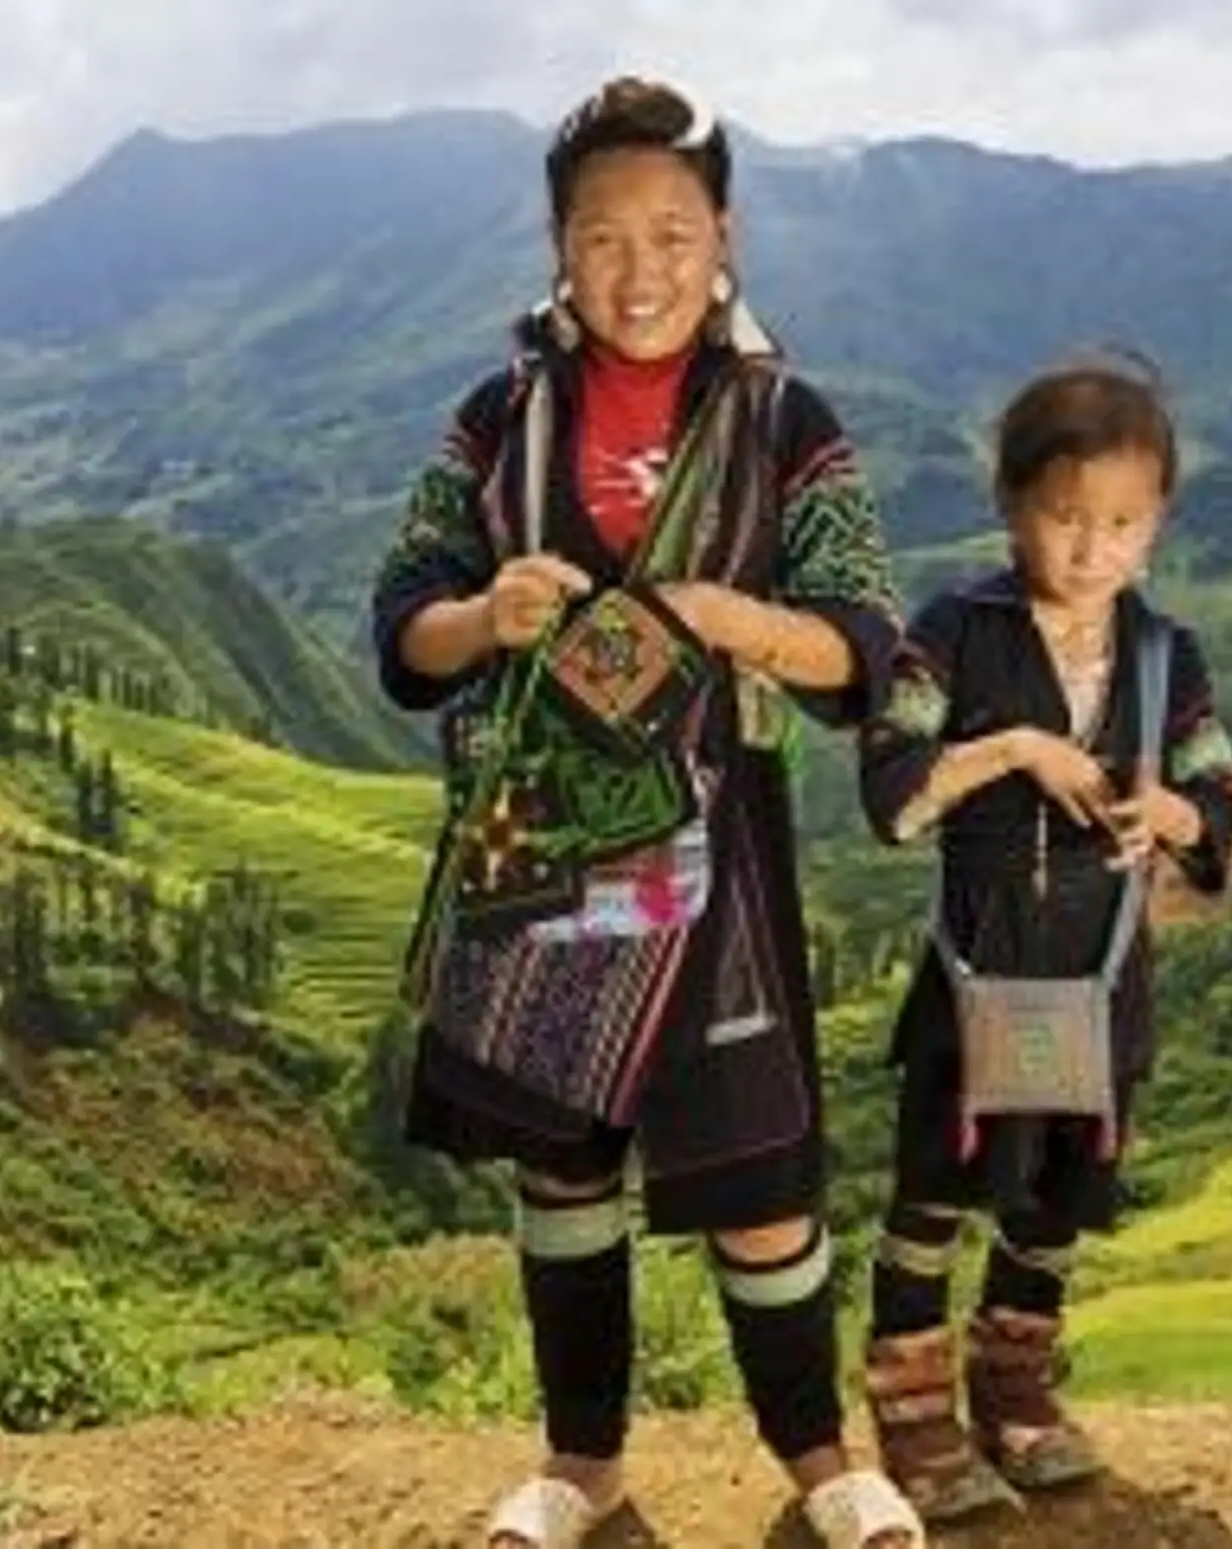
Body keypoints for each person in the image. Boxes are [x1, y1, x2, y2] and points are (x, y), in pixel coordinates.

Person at [370, 75, 923, 1549]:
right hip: (539, 851)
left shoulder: (784, 420)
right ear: (561, 246)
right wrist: (486, 613)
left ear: (723, 235)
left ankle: (819, 1464)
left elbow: (864, 640)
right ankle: (584, 1471)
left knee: (758, 1177)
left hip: (714, 856)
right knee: (564, 1168)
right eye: (604, 235)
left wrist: (745, 618)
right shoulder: (497, 422)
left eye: (672, 233)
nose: (640, 269)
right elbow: (403, 626)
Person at [855, 350, 1232, 1524]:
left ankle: (1016, 1394)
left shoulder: (1166, 658)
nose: (1091, 547)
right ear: (1013, 505)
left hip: (1100, 972)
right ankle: (913, 1410)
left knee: (1058, 1195)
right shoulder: (953, 636)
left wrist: (1172, 812)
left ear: (1157, 522)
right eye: (1065, 515)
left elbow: (1218, 799)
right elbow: (892, 788)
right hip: (982, 966)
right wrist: (1019, 748)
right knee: (935, 1189)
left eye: (1121, 522)